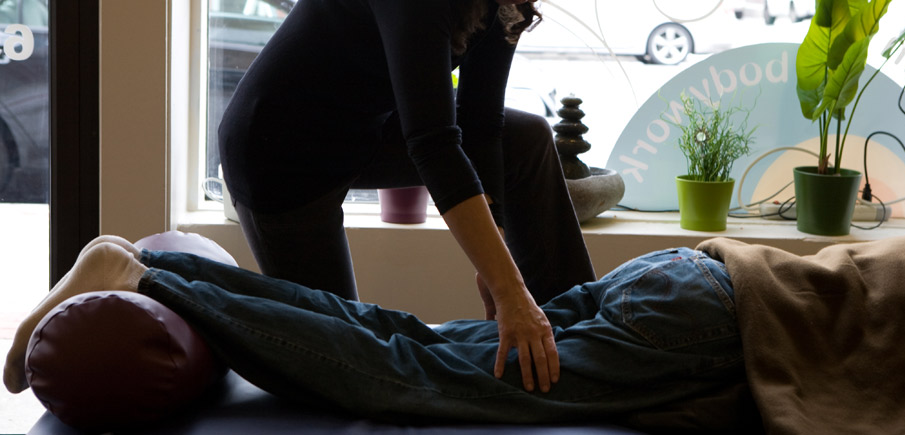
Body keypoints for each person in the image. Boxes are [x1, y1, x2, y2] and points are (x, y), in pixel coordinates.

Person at [217, 0, 597, 391]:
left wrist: (496, 260)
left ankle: (586, 347)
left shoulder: (506, 5)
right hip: (280, 150)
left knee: (526, 138)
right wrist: (510, 291)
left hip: (363, 129)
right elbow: (434, 144)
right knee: (350, 368)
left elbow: (480, 122)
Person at [4, 235, 743, 426]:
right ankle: (146, 280)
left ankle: (142, 262)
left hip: (689, 276)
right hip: (707, 324)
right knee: (412, 375)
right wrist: (508, 282)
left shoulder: (490, 17)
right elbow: (440, 138)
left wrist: (506, 282)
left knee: (403, 335)